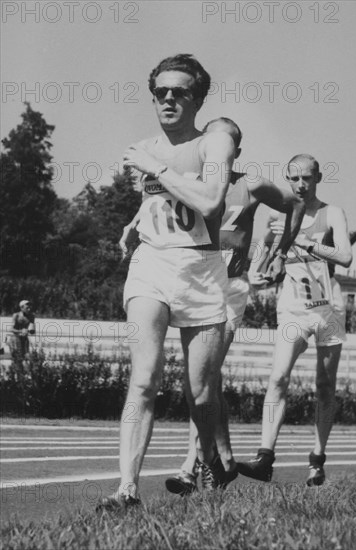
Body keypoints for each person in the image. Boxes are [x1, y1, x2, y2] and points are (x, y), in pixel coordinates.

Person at [97, 54, 238, 510]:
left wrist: (155, 168)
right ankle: (126, 489)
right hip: (152, 266)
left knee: (200, 389)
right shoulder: (145, 145)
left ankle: (212, 464)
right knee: (144, 377)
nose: (169, 99)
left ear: (197, 98)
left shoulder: (214, 144)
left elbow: (211, 201)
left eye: (180, 92)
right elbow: (162, 202)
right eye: (161, 92)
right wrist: (134, 220)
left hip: (201, 272)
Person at [155, 117, 305, 495]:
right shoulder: (185, 181)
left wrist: (281, 254)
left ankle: (192, 467)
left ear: (236, 150)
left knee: (201, 378)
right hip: (193, 283)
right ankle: (222, 458)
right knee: (207, 379)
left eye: (229, 142)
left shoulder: (250, 184)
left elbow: (295, 203)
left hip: (229, 289)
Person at [237, 154, 352, 486]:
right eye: (294, 179)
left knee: (325, 385)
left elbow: (345, 256)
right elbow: (258, 268)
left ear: (318, 178)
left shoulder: (332, 214)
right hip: (293, 309)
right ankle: (265, 457)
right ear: (287, 179)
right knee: (278, 378)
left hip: (328, 309)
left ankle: (316, 459)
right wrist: (259, 275)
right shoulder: (277, 215)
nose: (301, 185)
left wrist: (305, 241)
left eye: (307, 178)